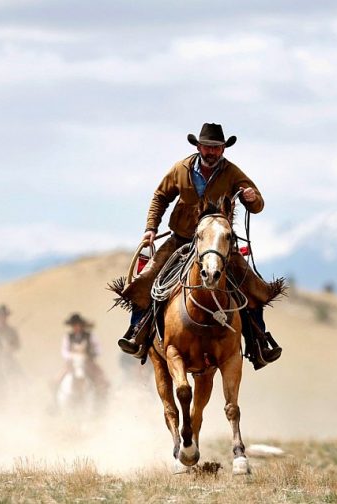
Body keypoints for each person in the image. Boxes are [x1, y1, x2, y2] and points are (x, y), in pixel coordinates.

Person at [116, 123, 282, 369]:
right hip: (181, 238)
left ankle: (259, 341)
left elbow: (257, 204)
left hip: (218, 244)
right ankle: (137, 330)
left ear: (223, 149)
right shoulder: (180, 170)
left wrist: (252, 198)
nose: (212, 152)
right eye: (207, 147)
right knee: (147, 278)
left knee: (253, 286)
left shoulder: (232, 173)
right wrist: (151, 228)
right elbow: (161, 196)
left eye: (217, 148)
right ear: (198, 147)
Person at [58, 312, 108, 398]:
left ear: (81, 325)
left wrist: (91, 355)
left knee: (101, 380)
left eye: (78, 325)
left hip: (88, 362)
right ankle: (54, 402)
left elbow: (98, 349)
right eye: (74, 325)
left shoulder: (90, 335)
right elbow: (64, 351)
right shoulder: (68, 337)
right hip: (72, 363)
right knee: (57, 379)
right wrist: (72, 356)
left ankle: (101, 398)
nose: (76, 327)